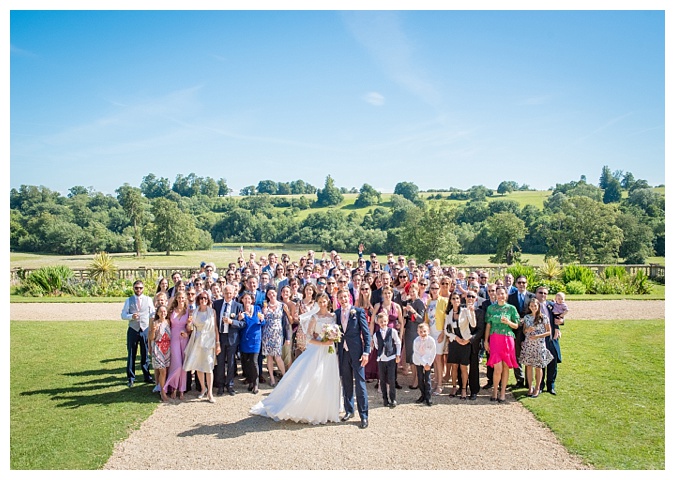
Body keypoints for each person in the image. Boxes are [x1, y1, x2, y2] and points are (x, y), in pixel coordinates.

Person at [250, 293, 341, 424]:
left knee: (327, 378)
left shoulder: (333, 316)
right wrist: (323, 343)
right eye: (320, 301)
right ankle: (310, 407)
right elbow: (309, 338)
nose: (322, 304)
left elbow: (336, 331)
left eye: (324, 301)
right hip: (318, 350)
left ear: (328, 302)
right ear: (317, 303)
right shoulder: (314, 317)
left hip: (330, 352)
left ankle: (327, 407)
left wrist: (332, 339)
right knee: (314, 377)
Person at [335, 288, 371, 429]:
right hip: (343, 353)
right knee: (347, 383)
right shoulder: (337, 314)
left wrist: (366, 352)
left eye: (345, 297)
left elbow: (366, 334)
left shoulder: (358, 312)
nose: (343, 300)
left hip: (357, 353)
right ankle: (349, 410)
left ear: (349, 297)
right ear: (338, 300)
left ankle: (364, 416)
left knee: (360, 385)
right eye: (340, 298)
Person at [484, 286, 520, 403]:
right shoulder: (490, 308)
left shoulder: (511, 309)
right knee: (497, 368)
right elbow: (488, 325)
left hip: (508, 339)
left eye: (503, 294)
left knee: (505, 367)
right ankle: (495, 391)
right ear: (496, 295)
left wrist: (508, 322)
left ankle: (503, 393)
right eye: (498, 293)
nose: (500, 296)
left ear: (506, 295)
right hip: (495, 339)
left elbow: (516, 325)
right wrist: (486, 341)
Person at [183, 292, 219, 403]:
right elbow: (190, 328)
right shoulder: (194, 312)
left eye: (205, 298)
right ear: (198, 300)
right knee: (198, 366)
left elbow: (216, 328)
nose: (203, 300)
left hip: (209, 340)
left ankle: (210, 393)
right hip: (197, 340)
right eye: (201, 298)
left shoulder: (212, 312)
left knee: (208, 367)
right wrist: (188, 324)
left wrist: (218, 343)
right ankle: (203, 388)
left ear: (208, 300)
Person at [120, 280, 155, 388]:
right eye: (136, 288)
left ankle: (147, 376)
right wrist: (131, 316)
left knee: (145, 354)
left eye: (140, 288)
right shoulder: (128, 300)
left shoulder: (148, 300)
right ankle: (131, 378)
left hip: (144, 329)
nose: (138, 290)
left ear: (143, 288)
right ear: (133, 288)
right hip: (133, 329)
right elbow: (123, 315)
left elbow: (152, 313)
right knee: (131, 354)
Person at [212, 284, 244, 396]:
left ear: (234, 293)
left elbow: (242, 323)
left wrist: (232, 322)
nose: (228, 295)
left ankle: (229, 385)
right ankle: (220, 385)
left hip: (232, 338)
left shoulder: (238, 306)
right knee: (220, 363)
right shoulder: (216, 304)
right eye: (226, 293)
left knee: (231, 362)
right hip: (220, 337)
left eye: (230, 293)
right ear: (222, 293)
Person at [519, 299, 554, 398]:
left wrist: (538, 336)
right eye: (531, 306)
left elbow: (548, 332)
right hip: (529, 344)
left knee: (538, 367)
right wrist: (527, 330)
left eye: (535, 305)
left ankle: (537, 387)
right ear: (529, 307)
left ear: (538, 306)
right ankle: (530, 387)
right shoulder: (527, 317)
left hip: (539, 345)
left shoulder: (544, 318)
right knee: (528, 366)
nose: (533, 307)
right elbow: (524, 331)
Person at [444, 292, 476, 400]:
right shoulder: (449, 313)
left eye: (457, 298)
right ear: (451, 300)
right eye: (453, 298)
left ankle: (463, 389)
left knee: (463, 367)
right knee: (454, 366)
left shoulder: (466, 311)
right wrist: (456, 338)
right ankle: (454, 387)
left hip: (465, 341)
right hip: (454, 341)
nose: (456, 300)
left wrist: (471, 313)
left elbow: (473, 324)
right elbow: (446, 330)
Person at [507, 275, 536, 388]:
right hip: (515, 329)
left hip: (529, 330)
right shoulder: (511, 297)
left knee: (529, 355)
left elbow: (535, 311)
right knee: (516, 355)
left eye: (523, 282)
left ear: (527, 284)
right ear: (516, 284)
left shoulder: (532, 296)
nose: (521, 284)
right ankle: (520, 380)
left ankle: (529, 382)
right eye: (519, 282)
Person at [261, 286, 291, 386]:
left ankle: (285, 376)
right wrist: (263, 313)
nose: (271, 295)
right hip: (267, 334)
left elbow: (286, 323)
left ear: (276, 293)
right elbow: (262, 320)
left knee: (278, 357)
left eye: (273, 293)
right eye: (269, 294)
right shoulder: (265, 306)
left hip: (278, 334)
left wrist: (288, 337)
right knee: (269, 357)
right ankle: (272, 379)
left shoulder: (282, 305)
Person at [536, 286, 563, 395]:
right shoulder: (532, 306)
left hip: (551, 337)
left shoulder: (552, 306)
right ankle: (540, 385)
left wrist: (558, 327)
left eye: (545, 293)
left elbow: (558, 318)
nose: (543, 295)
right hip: (538, 338)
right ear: (536, 293)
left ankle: (551, 386)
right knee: (540, 362)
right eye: (540, 292)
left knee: (552, 360)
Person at [164, 291, 191, 400]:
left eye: (183, 298)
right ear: (176, 299)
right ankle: (172, 387)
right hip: (174, 338)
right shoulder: (171, 311)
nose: (181, 299)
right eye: (179, 297)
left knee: (184, 366)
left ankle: (182, 389)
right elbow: (167, 325)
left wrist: (187, 331)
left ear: (185, 299)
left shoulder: (188, 312)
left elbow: (190, 328)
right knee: (177, 365)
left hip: (184, 338)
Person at [372, 312, 401, 408]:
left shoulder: (392, 331)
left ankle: (393, 399)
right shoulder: (376, 334)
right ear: (378, 323)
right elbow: (376, 345)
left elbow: (397, 342)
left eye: (384, 321)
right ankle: (385, 399)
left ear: (387, 321)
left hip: (391, 357)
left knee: (392, 379)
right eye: (381, 322)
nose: (383, 323)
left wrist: (397, 354)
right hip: (381, 359)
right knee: (382, 380)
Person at [239, 292, 265, 394]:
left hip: (255, 340)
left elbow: (262, 322)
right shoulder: (240, 310)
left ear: (252, 300)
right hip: (244, 340)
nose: (247, 301)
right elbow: (239, 325)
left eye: (249, 299)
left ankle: (256, 384)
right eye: (245, 299)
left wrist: (262, 319)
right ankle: (250, 380)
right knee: (246, 363)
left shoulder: (257, 309)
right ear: (242, 300)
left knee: (254, 362)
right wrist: (239, 319)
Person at [401, 282, 426, 389]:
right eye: (410, 292)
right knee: (410, 356)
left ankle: (417, 380)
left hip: (416, 330)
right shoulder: (409, 302)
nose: (411, 293)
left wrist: (413, 311)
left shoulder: (419, 303)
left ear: (417, 291)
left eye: (413, 291)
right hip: (409, 330)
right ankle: (414, 378)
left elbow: (421, 319)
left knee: (416, 355)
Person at [149, 305, 171, 402]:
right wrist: (153, 330)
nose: (163, 313)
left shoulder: (169, 322)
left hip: (168, 348)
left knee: (166, 369)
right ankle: (162, 391)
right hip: (158, 349)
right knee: (162, 370)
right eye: (161, 312)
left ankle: (164, 387)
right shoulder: (155, 323)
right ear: (157, 313)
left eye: (164, 311)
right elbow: (151, 338)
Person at [413, 323, 436, 406]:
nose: (423, 333)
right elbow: (416, 353)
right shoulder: (416, 341)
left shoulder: (431, 341)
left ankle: (428, 396)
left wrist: (428, 364)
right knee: (420, 378)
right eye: (421, 332)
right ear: (418, 332)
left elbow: (433, 353)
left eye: (424, 331)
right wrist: (423, 363)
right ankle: (422, 394)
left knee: (428, 379)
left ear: (428, 331)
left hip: (428, 362)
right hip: (418, 361)